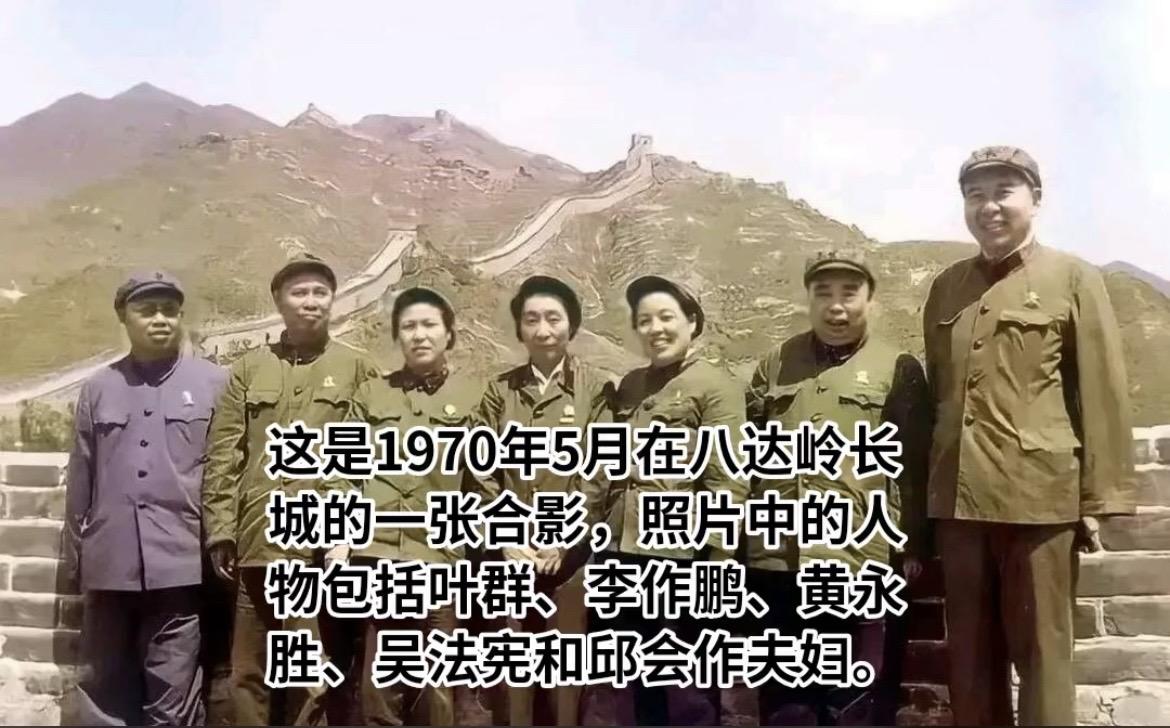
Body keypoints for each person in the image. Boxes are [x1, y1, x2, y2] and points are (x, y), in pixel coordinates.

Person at [922, 146, 1137, 725]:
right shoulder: (946, 287)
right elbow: (941, 394)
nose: (988, 206)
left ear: (1034, 200)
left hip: (1039, 501)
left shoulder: (1073, 278)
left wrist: (1098, 498)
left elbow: (1102, 391)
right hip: (959, 504)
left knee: (1043, 654)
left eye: (1003, 192)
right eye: (975, 195)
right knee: (969, 661)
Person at [744, 251, 931, 726]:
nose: (836, 306)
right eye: (823, 294)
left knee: (856, 698)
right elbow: (748, 451)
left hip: (859, 556)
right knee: (784, 697)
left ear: (870, 300)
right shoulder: (775, 363)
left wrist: (912, 545)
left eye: (849, 293)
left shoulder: (898, 366)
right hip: (778, 558)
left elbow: (913, 464)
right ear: (808, 300)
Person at [201, 252, 381, 726]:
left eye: (320, 292)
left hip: (322, 548)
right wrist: (221, 530)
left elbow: (372, 458)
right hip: (258, 541)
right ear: (279, 301)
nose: (310, 301)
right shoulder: (248, 369)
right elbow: (225, 453)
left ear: (333, 301)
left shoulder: (358, 368)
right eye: (299, 293)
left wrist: (348, 532)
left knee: (313, 671)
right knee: (248, 671)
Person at [579, 275, 747, 727]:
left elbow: (728, 478)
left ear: (692, 322)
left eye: (666, 317)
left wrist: (717, 558)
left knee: (684, 687)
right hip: (618, 551)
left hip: (680, 556)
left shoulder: (716, 385)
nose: (656, 329)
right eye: (645, 321)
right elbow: (603, 467)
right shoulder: (631, 385)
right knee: (625, 684)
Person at [64, 271, 228, 725]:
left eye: (170, 311)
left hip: (181, 560)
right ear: (124, 317)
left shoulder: (216, 384)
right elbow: (81, 476)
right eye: (147, 310)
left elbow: (227, 470)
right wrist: (75, 559)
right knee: (104, 686)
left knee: (174, 693)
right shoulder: (98, 388)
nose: (160, 319)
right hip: (110, 560)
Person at [465, 274, 614, 726]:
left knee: (564, 677)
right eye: (532, 319)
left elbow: (599, 473)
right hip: (510, 555)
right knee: (511, 674)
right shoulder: (499, 391)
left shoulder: (597, 390)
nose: (543, 329)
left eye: (554, 318)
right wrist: (505, 535)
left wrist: (565, 539)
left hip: (568, 558)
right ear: (519, 328)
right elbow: (481, 470)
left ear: (572, 325)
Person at [333, 286, 483, 725]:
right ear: (397, 336)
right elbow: (342, 470)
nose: (419, 335)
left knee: (439, 687)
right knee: (380, 685)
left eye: (429, 325)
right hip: (380, 554)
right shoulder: (371, 394)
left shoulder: (476, 396)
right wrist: (340, 535)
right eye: (408, 327)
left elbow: (485, 482)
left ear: (449, 333)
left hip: (441, 557)